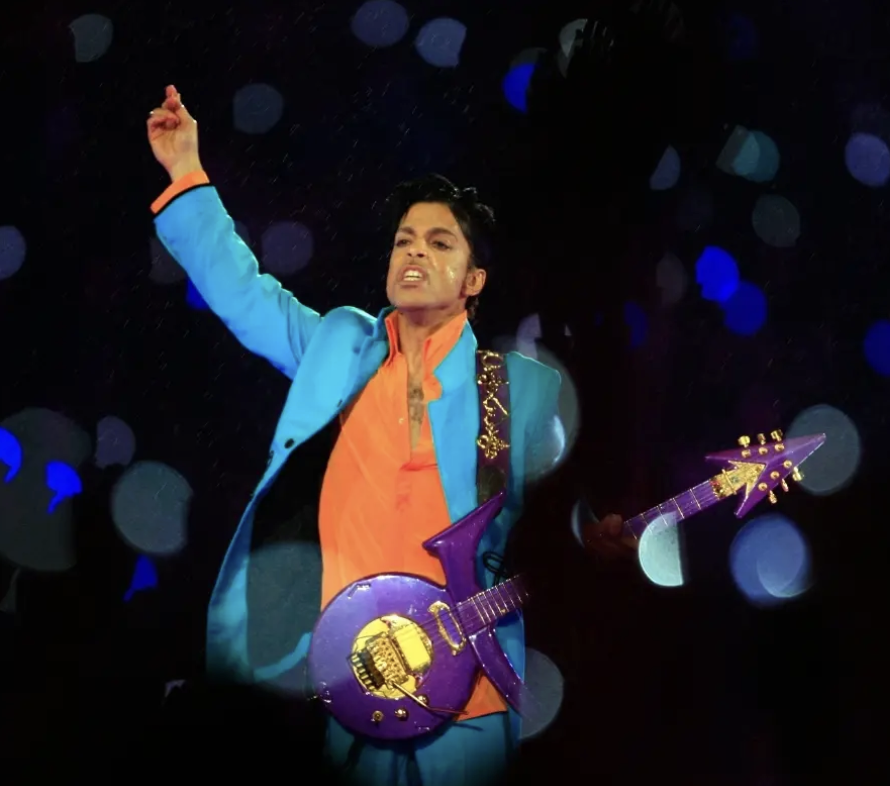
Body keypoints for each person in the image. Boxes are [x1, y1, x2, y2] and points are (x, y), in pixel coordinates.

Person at [146, 84, 635, 785]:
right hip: (345, 689)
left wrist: (597, 535)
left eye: (439, 243)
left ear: (474, 279)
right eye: (404, 240)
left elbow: (560, 513)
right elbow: (247, 294)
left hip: (465, 697)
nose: (414, 253)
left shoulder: (516, 390)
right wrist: (188, 172)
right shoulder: (340, 347)